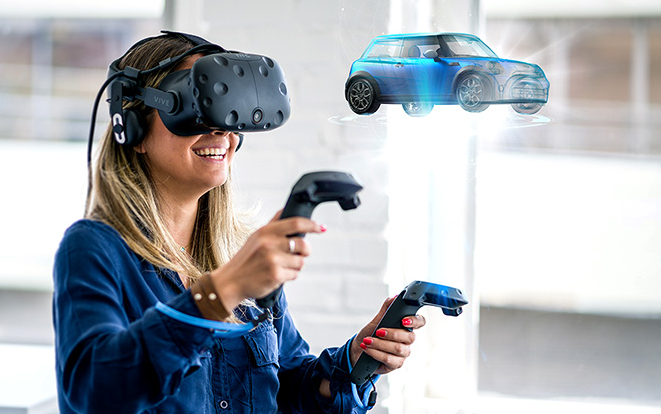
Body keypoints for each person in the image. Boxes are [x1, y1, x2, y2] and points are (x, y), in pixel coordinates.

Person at [52, 31, 426, 414]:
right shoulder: (94, 249)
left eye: (226, 110)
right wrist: (224, 289)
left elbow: (288, 387)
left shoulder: (239, 254)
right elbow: (94, 391)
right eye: (196, 107)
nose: (221, 131)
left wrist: (355, 362)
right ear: (131, 128)